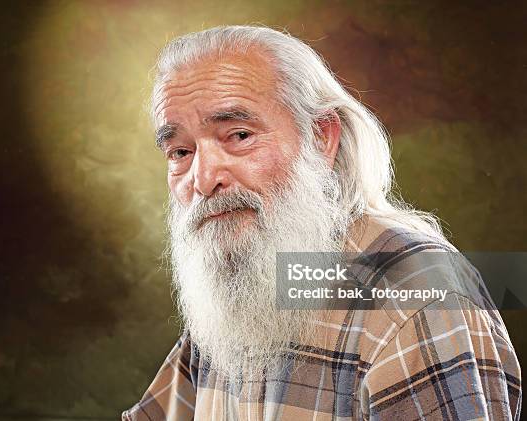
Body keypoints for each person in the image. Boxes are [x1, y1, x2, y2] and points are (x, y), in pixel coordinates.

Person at [122, 25, 521, 420]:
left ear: (320, 137)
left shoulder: (413, 295)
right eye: (180, 152)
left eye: (239, 135)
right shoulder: (242, 283)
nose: (204, 179)